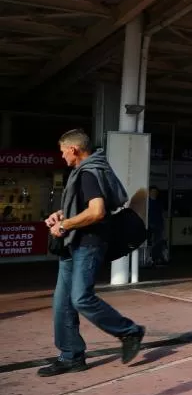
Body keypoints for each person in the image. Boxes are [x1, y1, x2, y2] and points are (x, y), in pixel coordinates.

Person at [39, 129, 145, 377]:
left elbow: (96, 212)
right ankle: (71, 356)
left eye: (63, 151)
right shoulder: (87, 171)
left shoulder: (88, 173)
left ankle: (129, 331)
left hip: (88, 244)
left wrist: (64, 225)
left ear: (73, 150)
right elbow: (85, 208)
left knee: (80, 298)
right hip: (73, 245)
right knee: (62, 304)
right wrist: (61, 216)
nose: (62, 156)